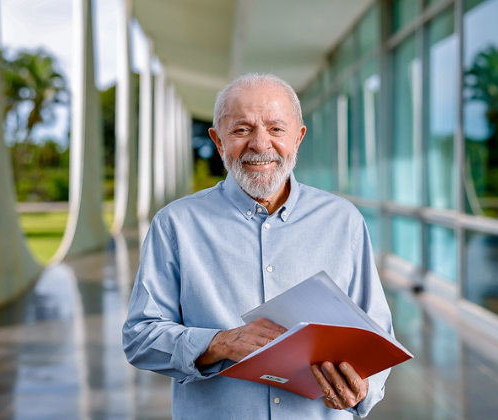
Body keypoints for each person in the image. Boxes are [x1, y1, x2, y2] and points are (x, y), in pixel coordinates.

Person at [123, 73, 394, 419]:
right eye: (242, 130)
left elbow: (378, 337)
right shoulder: (175, 224)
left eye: (276, 129)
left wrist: (364, 388)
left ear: (298, 138)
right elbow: (140, 336)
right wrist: (219, 343)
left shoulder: (344, 222)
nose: (260, 144)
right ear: (218, 142)